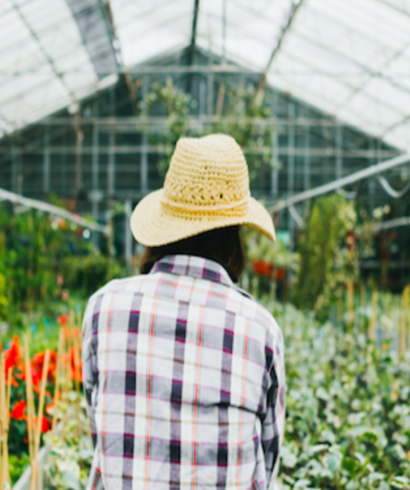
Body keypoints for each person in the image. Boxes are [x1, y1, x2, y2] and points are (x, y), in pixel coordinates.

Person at [81, 134, 286, 490]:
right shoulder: (260, 330)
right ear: (233, 235)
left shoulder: (104, 308)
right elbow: (265, 465)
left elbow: (100, 433)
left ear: (164, 224)